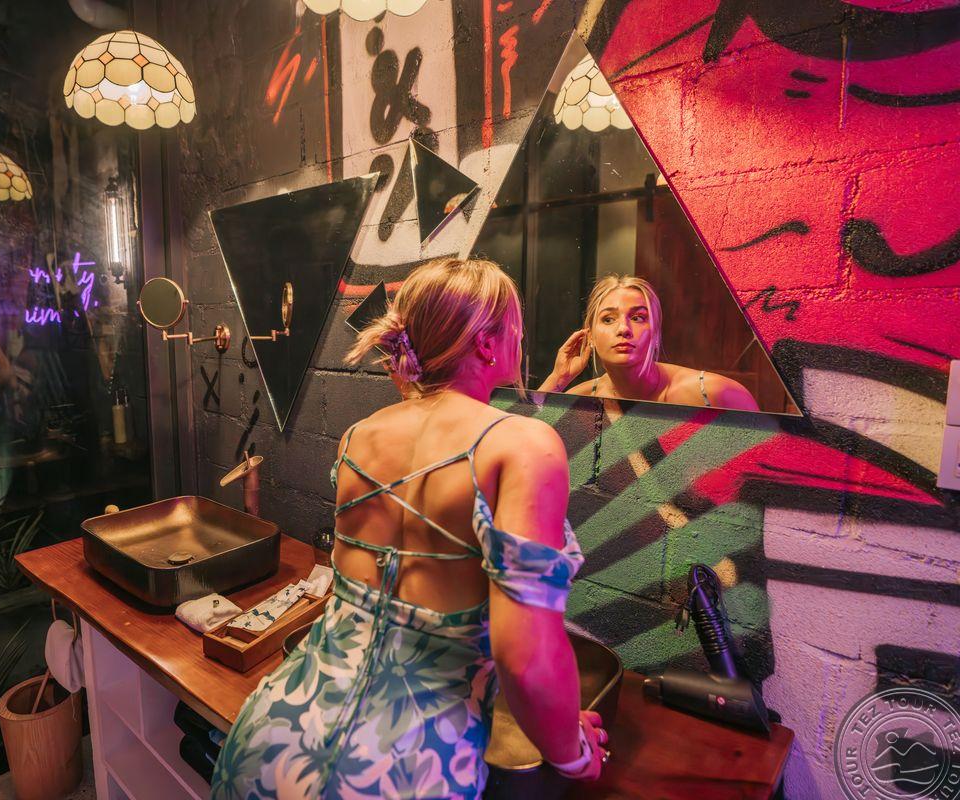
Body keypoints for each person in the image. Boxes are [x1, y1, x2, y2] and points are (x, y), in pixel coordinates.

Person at [211, 258, 607, 799]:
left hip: (274, 732)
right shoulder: (523, 445)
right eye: (515, 329)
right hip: (401, 768)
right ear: (486, 343)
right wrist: (574, 753)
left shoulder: (359, 436)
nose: (521, 340)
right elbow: (526, 658)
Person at [540, 274, 759, 411]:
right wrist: (558, 378)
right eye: (608, 319)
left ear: (655, 333)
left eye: (638, 318)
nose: (623, 329)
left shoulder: (716, 393)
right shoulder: (581, 400)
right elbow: (525, 443)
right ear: (591, 337)